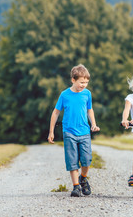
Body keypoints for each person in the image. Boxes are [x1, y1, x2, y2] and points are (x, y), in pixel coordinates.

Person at [47, 64, 100, 197]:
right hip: (69, 132)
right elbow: (55, 113)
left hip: (84, 131)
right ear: (73, 80)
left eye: (86, 82)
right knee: (72, 161)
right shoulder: (64, 95)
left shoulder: (87, 94)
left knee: (87, 159)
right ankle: (76, 186)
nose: (84, 85)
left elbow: (89, 110)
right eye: (81, 82)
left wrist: (93, 124)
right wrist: (51, 131)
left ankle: (83, 178)